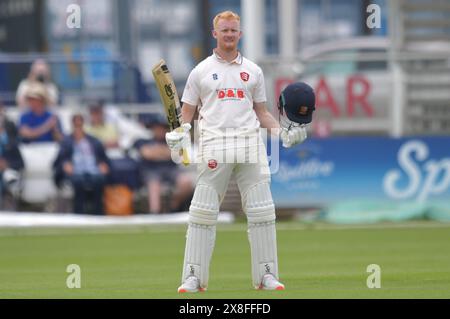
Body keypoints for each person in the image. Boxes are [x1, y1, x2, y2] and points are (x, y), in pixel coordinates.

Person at [165, 11, 309, 293]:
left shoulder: (253, 71)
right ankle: (193, 277)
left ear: (239, 34)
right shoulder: (200, 71)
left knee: (262, 211)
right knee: (203, 212)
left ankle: (267, 274)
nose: (229, 35)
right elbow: (186, 114)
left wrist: (282, 134)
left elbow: (263, 113)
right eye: (224, 30)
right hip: (214, 144)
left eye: (234, 30)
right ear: (214, 33)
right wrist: (178, 133)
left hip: (249, 144)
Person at [134, 114, 193, 214]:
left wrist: (157, 152)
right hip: (151, 171)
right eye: (157, 127)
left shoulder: (173, 140)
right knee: (154, 184)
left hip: (171, 170)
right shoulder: (143, 141)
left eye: (162, 127)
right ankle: (155, 212)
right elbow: (147, 154)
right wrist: (165, 152)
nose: (159, 130)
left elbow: (179, 154)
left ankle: (173, 206)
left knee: (186, 181)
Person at [53, 114, 111, 215]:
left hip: (93, 169)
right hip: (75, 170)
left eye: (80, 124)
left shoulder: (94, 141)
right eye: (76, 124)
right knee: (78, 182)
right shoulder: (67, 141)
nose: (78, 127)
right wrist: (65, 164)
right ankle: (79, 212)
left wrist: (103, 164)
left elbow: (103, 158)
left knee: (99, 180)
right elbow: (60, 159)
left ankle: (98, 212)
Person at [0, 101, 25, 203]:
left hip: (9, 169)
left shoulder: (10, 129)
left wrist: (6, 165)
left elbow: (20, 162)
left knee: (8, 177)